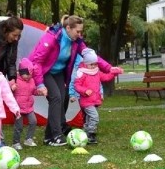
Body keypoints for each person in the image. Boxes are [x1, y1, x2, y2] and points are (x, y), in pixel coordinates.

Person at [28, 15, 112, 146]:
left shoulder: (77, 42)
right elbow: (37, 62)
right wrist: (40, 84)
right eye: (77, 31)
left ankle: (48, 137)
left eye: (81, 31)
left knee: (61, 99)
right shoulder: (51, 38)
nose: (79, 34)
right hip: (45, 71)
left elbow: (90, 56)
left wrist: (109, 68)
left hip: (59, 72)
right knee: (55, 98)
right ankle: (56, 135)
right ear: (68, 28)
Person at [73, 48, 124, 144]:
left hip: (95, 100)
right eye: (91, 64)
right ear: (86, 64)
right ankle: (91, 134)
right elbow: (76, 85)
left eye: (95, 64)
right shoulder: (82, 73)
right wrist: (84, 90)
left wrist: (114, 73)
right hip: (87, 102)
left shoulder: (97, 72)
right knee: (94, 117)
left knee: (89, 118)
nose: (93, 66)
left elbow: (106, 77)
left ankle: (85, 133)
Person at [11, 58, 40, 150]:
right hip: (18, 108)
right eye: (26, 74)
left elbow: (33, 91)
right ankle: (16, 143)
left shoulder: (31, 80)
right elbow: (7, 90)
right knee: (19, 126)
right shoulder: (15, 79)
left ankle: (29, 139)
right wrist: (12, 88)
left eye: (30, 74)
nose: (28, 76)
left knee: (33, 121)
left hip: (29, 107)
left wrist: (38, 92)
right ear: (20, 72)